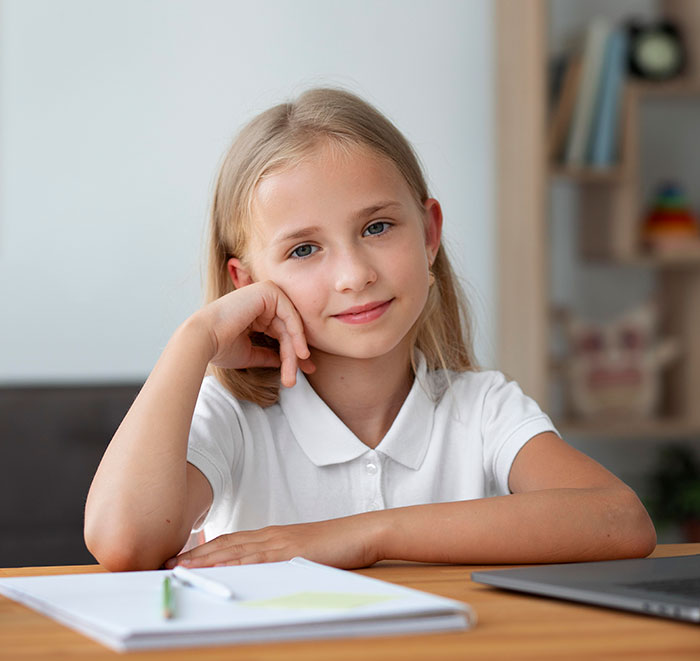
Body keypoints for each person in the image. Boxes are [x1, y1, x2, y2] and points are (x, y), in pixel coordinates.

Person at [84, 87, 656, 572]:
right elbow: (123, 543)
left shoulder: (481, 408)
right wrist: (197, 339)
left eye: (378, 226)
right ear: (247, 281)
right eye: (305, 249)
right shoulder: (235, 415)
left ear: (429, 235)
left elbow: (620, 519)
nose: (355, 275)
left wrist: (358, 535)